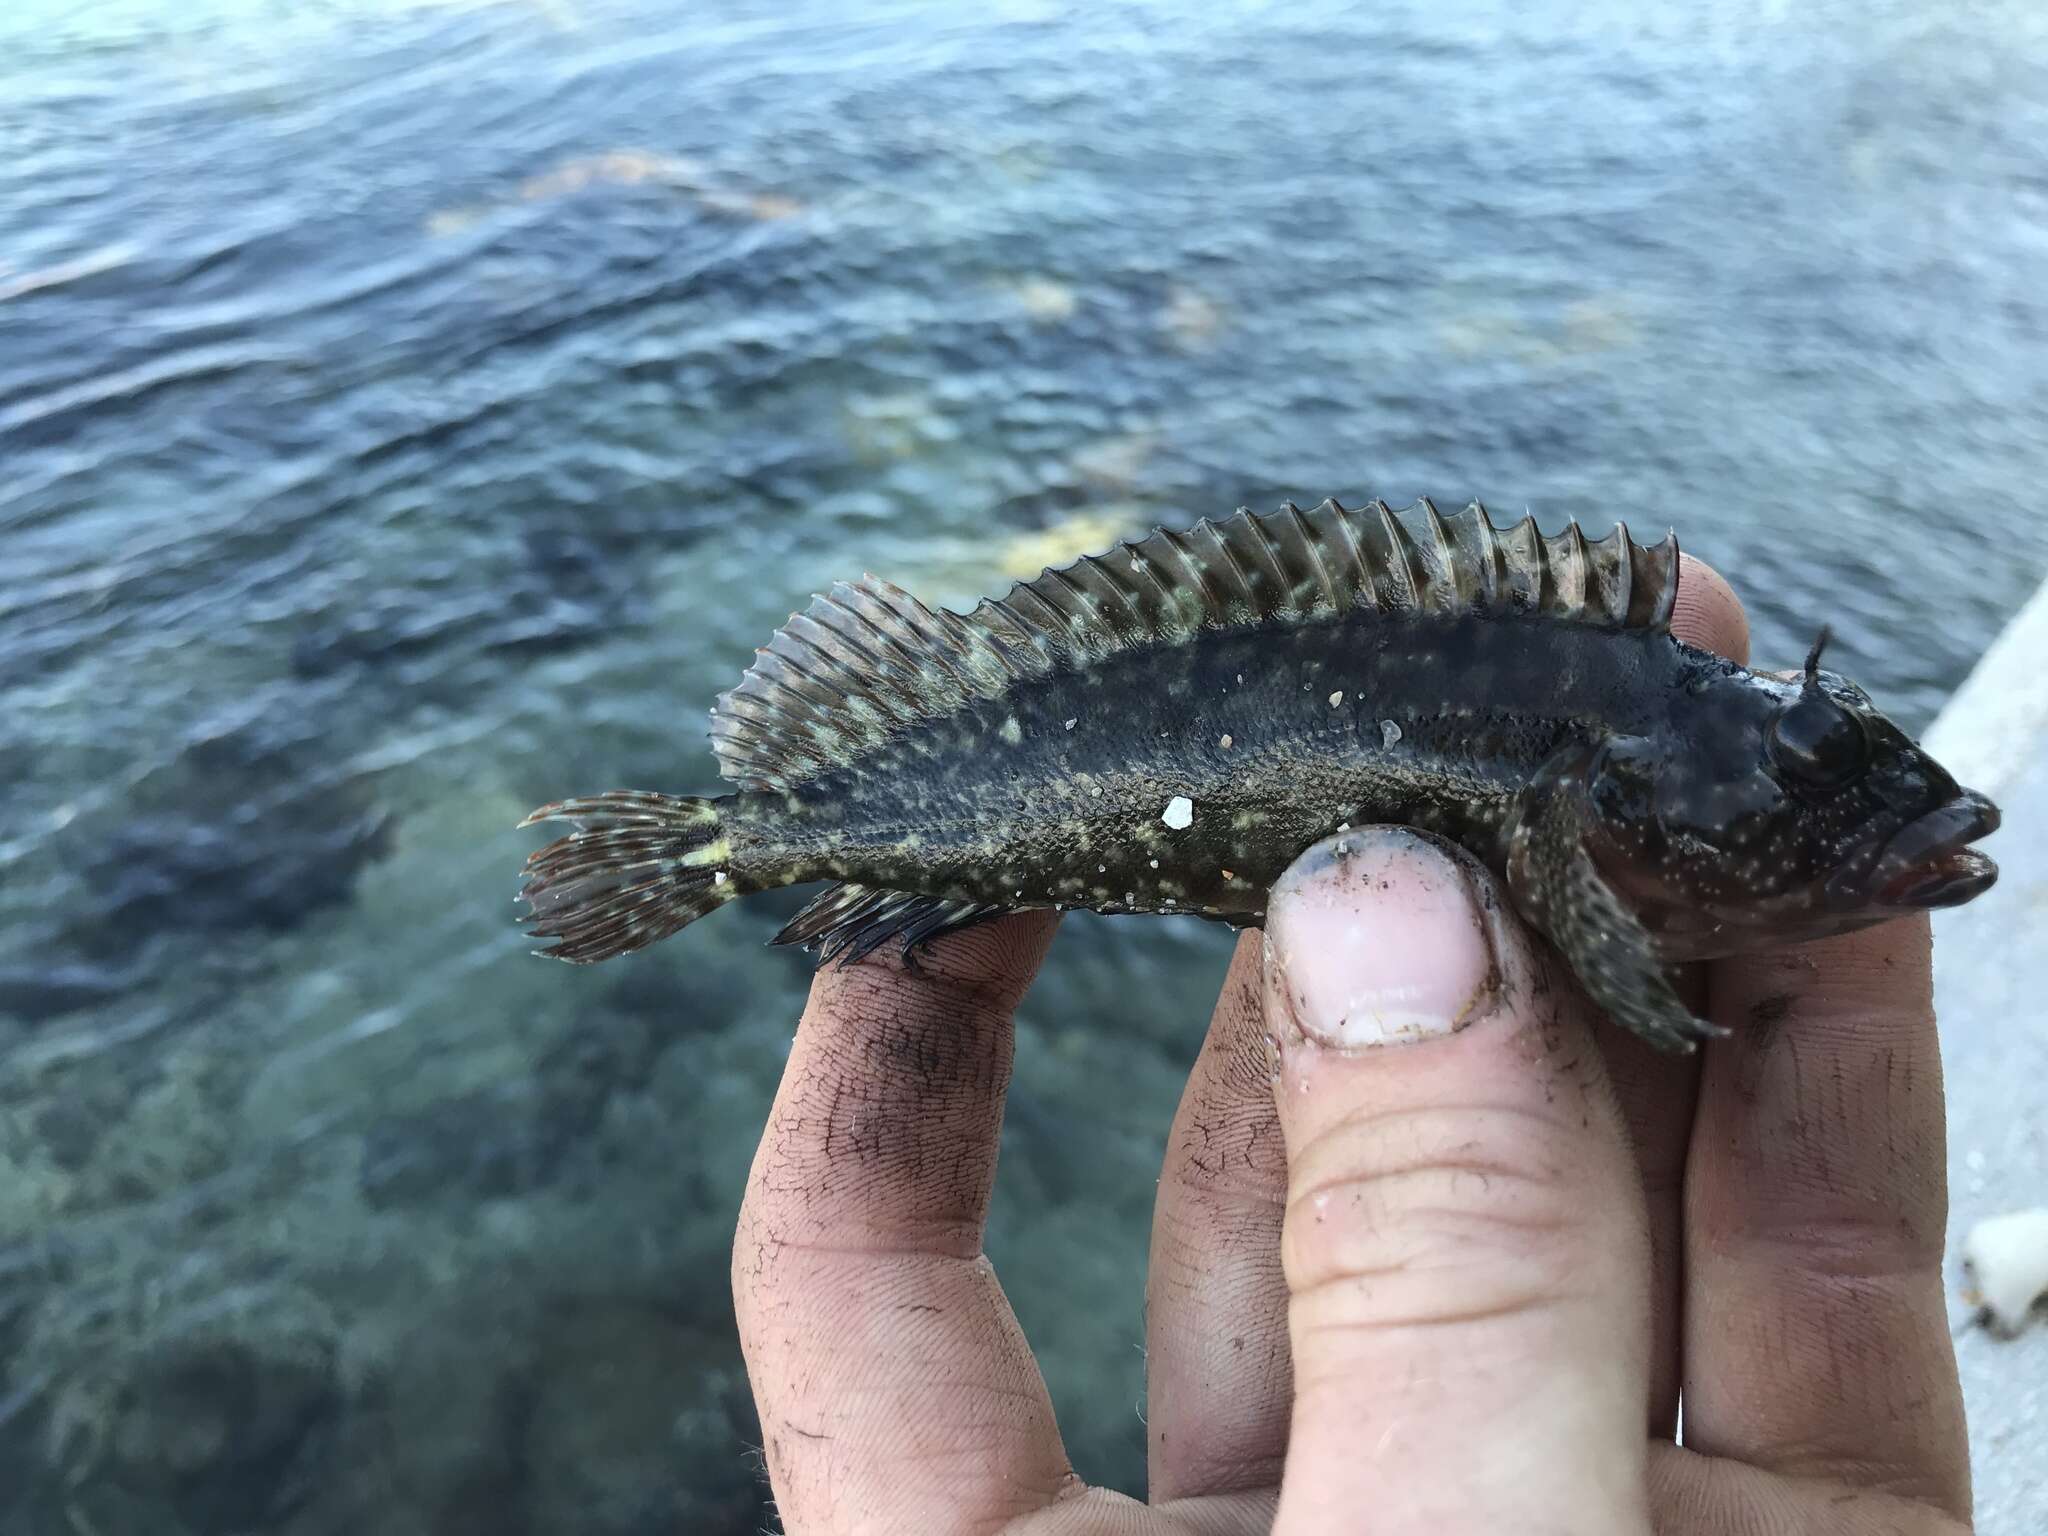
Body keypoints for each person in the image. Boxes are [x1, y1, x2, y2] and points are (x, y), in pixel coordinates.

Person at [730, 563, 1972, 1534]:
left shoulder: (1615, 740)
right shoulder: (1607, 736)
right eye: (1810, 766)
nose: (1850, 811)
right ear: (1626, 779)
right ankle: (710, 845)